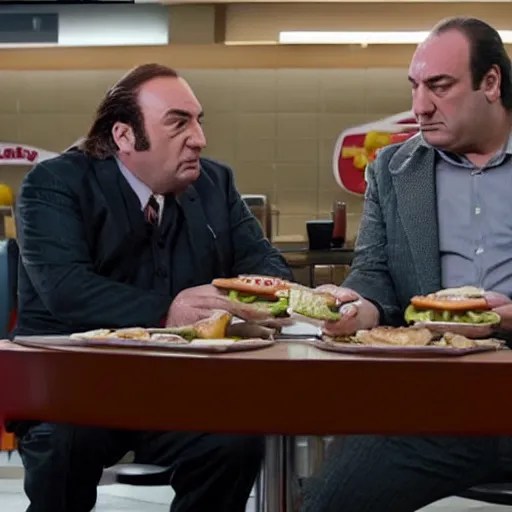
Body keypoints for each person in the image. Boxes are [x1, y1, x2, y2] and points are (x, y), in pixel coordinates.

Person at [13, 63, 293, 512]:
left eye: (198, 121)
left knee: (235, 442)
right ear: (124, 136)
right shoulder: (54, 184)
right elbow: (66, 288)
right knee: (65, 447)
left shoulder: (215, 183)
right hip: (73, 392)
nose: (199, 138)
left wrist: (253, 296)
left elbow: (268, 265)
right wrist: (170, 312)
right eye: (179, 123)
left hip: (178, 391)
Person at [302, 16, 512, 512]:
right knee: (326, 504)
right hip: (437, 404)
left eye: (439, 86)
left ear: (490, 82)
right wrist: (357, 306)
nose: (420, 106)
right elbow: (374, 273)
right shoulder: (393, 170)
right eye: (415, 87)